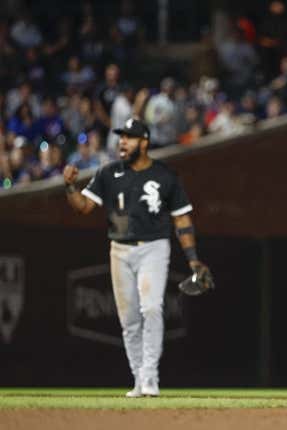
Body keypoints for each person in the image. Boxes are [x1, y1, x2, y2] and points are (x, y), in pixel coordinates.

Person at [62, 117, 209, 397]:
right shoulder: (108, 173)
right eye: (121, 137)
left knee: (152, 308)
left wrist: (193, 259)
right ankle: (139, 377)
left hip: (154, 247)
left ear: (144, 142)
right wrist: (70, 187)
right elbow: (83, 207)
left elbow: (182, 220)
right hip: (119, 250)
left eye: (129, 137)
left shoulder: (165, 175)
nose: (122, 142)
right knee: (129, 320)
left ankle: (151, 376)